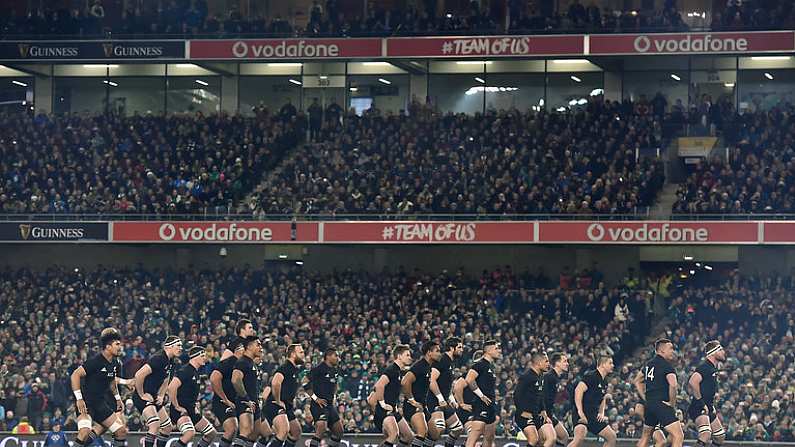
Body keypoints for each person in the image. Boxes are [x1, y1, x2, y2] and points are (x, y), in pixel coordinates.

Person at [70, 328, 128, 447]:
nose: (120, 347)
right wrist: (79, 399)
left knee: (121, 432)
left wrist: (118, 398)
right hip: (86, 403)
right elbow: (75, 375)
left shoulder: (115, 363)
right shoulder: (95, 361)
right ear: (108, 347)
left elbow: (112, 381)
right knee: (84, 432)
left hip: (100, 403)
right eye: (117, 344)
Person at [134, 336, 182, 447]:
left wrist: (161, 395)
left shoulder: (171, 361)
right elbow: (139, 375)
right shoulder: (159, 358)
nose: (181, 348)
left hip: (154, 395)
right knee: (155, 424)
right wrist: (141, 394)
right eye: (178, 345)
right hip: (143, 395)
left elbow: (166, 379)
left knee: (167, 427)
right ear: (169, 347)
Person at [635, 339, 684, 447]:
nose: (673, 351)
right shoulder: (667, 366)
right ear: (661, 350)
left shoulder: (648, 364)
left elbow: (637, 380)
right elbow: (673, 384)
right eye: (670, 348)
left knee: (646, 435)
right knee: (678, 435)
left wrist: (644, 397)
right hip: (662, 404)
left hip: (649, 404)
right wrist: (672, 403)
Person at [167, 346, 217, 447]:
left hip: (191, 408)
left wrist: (196, 402)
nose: (205, 358)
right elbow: (171, 387)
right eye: (202, 355)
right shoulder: (185, 370)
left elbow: (189, 390)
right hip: (181, 409)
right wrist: (176, 406)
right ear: (195, 357)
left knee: (211, 433)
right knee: (189, 433)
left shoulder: (196, 372)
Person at [368, 344, 415, 447]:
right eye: (407, 355)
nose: (410, 358)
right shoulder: (392, 370)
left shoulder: (398, 371)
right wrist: (383, 404)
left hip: (393, 409)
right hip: (384, 410)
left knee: (409, 437)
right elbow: (379, 385)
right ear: (399, 356)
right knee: (393, 435)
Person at [568, 354, 617, 447]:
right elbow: (578, 390)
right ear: (602, 364)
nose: (613, 365)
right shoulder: (591, 376)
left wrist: (601, 413)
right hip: (583, 413)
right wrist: (580, 411)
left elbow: (603, 398)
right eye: (610, 363)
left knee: (611, 437)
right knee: (579, 438)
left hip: (593, 414)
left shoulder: (604, 381)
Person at [687, 340, 727, 447]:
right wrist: (701, 402)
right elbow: (692, 381)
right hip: (699, 406)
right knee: (705, 434)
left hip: (708, 406)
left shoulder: (713, 368)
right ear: (713, 352)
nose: (723, 352)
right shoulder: (705, 366)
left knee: (720, 436)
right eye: (720, 349)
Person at [426, 337, 465, 447]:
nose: (462, 350)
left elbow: (445, 384)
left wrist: (451, 398)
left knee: (458, 429)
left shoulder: (451, 362)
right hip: (433, 400)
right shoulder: (442, 360)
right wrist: (440, 398)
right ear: (452, 348)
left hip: (443, 401)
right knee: (438, 430)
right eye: (460, 347)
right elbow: (431, 380)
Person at [402, 341, 441, 447]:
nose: (439, 353)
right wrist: (412, 400)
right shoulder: (420, 366)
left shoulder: (428, 366)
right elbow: (405, 382)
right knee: (422, 433)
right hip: (413, 406)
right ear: (429, 352)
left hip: (422, 406)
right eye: (437, 351)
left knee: (434, 434)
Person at [266, 344, 305, 447]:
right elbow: (275, 383)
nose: (303, 355)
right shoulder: (286, 367)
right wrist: (278, 400)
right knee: (283, 431)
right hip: (276, 404)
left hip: (287, 406)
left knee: (296, 432)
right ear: (293, 354)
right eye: (300, 352)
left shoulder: (294, 369)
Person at [465, 340, 501, 447]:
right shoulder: (480, 364)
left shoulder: (491, 366)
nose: (499, 351)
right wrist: (481, 395)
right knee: (475, 435)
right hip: (481, 404)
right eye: (496, 348)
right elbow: (469, 379)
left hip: (491, 405)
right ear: (488, 351)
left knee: (489, 437)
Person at [514, 350, 555, 447]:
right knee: (533, 439)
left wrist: (543, 410)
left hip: (535, 414)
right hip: (524, 415)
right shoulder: (527, 377)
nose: (548, 364)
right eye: (546, 361)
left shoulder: (540, 376)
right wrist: (522, 411)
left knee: (541, 440)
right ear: (539, 362)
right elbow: (516, 395)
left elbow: (540, 396)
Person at [306, 348, 344, 447]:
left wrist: (334, 396)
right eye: (336, 356)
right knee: (321, 428)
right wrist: (315, 398)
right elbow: (304, 381)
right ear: (328, 356)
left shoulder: (335, 370)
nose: (338, 358)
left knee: (339, 431)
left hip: (330, 405)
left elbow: (335, 384)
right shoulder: (319, 368)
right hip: (319, 405)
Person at [232, 337, 265, 447]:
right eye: (258, 344)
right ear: (249, 346)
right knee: (245, 432)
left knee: (256, 433)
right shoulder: (242, 362)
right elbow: (236, 380)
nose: (260, 347)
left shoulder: (251, 363)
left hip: (254, 402)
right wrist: (247, 399)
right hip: (245, 401)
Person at [211, 341, 243, 447]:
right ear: (238, 349)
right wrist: (225, 399)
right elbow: (214, 378)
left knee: (244, 430)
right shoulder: (229, 362)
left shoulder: (244, 364)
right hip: (223, 401)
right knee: (231, 428)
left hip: (236, 401)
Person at [543, 352, 570, 446]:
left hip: (549, 412)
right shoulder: (549, 377)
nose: (567, 363)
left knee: (564, 437)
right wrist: (544, 414)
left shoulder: (556, 377)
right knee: (550, 439)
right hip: (542, 413)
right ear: (557, 363)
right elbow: (542, 397)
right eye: (565, 361)